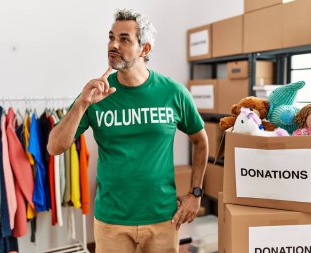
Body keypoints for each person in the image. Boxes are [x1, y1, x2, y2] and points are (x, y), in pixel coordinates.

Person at [47, 8, 208, 253]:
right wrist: (81, 104)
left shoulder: (173, 93)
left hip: (163, 219)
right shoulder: (96, 94)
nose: (113, 45)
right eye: (111, 37)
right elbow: (54, 146)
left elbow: (200, 140)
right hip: (111, 222)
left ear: (145, 49)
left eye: (124, 39)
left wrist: (195, 193)